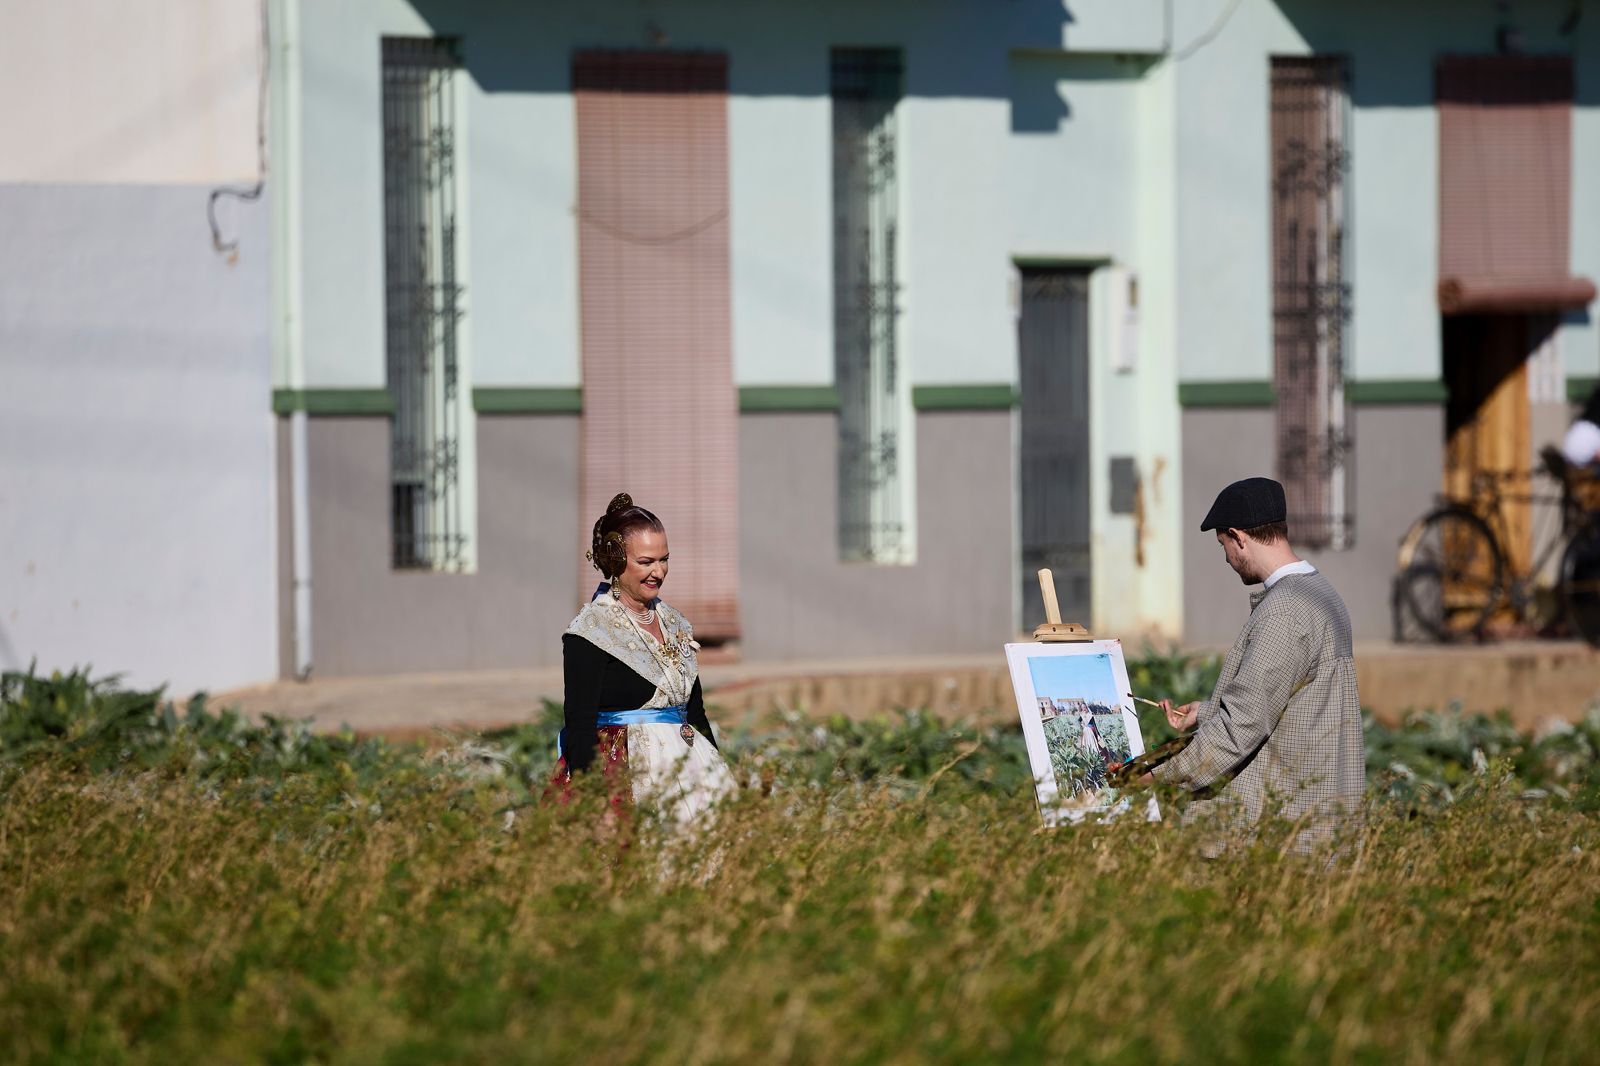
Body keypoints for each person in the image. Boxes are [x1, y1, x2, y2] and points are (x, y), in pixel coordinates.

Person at [1144, 477, 1364, 855]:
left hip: (1284, 833)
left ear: (1238, 536)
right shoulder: (1322, 592)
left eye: (1223, 545)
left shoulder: (1284, 611)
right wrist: (1208, 711)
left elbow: (1240, 730)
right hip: (1320, 819)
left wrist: (1155, 775)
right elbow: (1288, 702)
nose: (1226, 557)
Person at [557, 492, 735, 824]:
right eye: (646, 562)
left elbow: (694, 712)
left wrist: (717, 769)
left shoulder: (675, 622)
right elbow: (579, 726)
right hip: (626, 778)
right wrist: (596, 802)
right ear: (615, 560)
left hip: (694, 777)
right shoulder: (591, 632)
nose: (658, 571)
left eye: (664, 559)